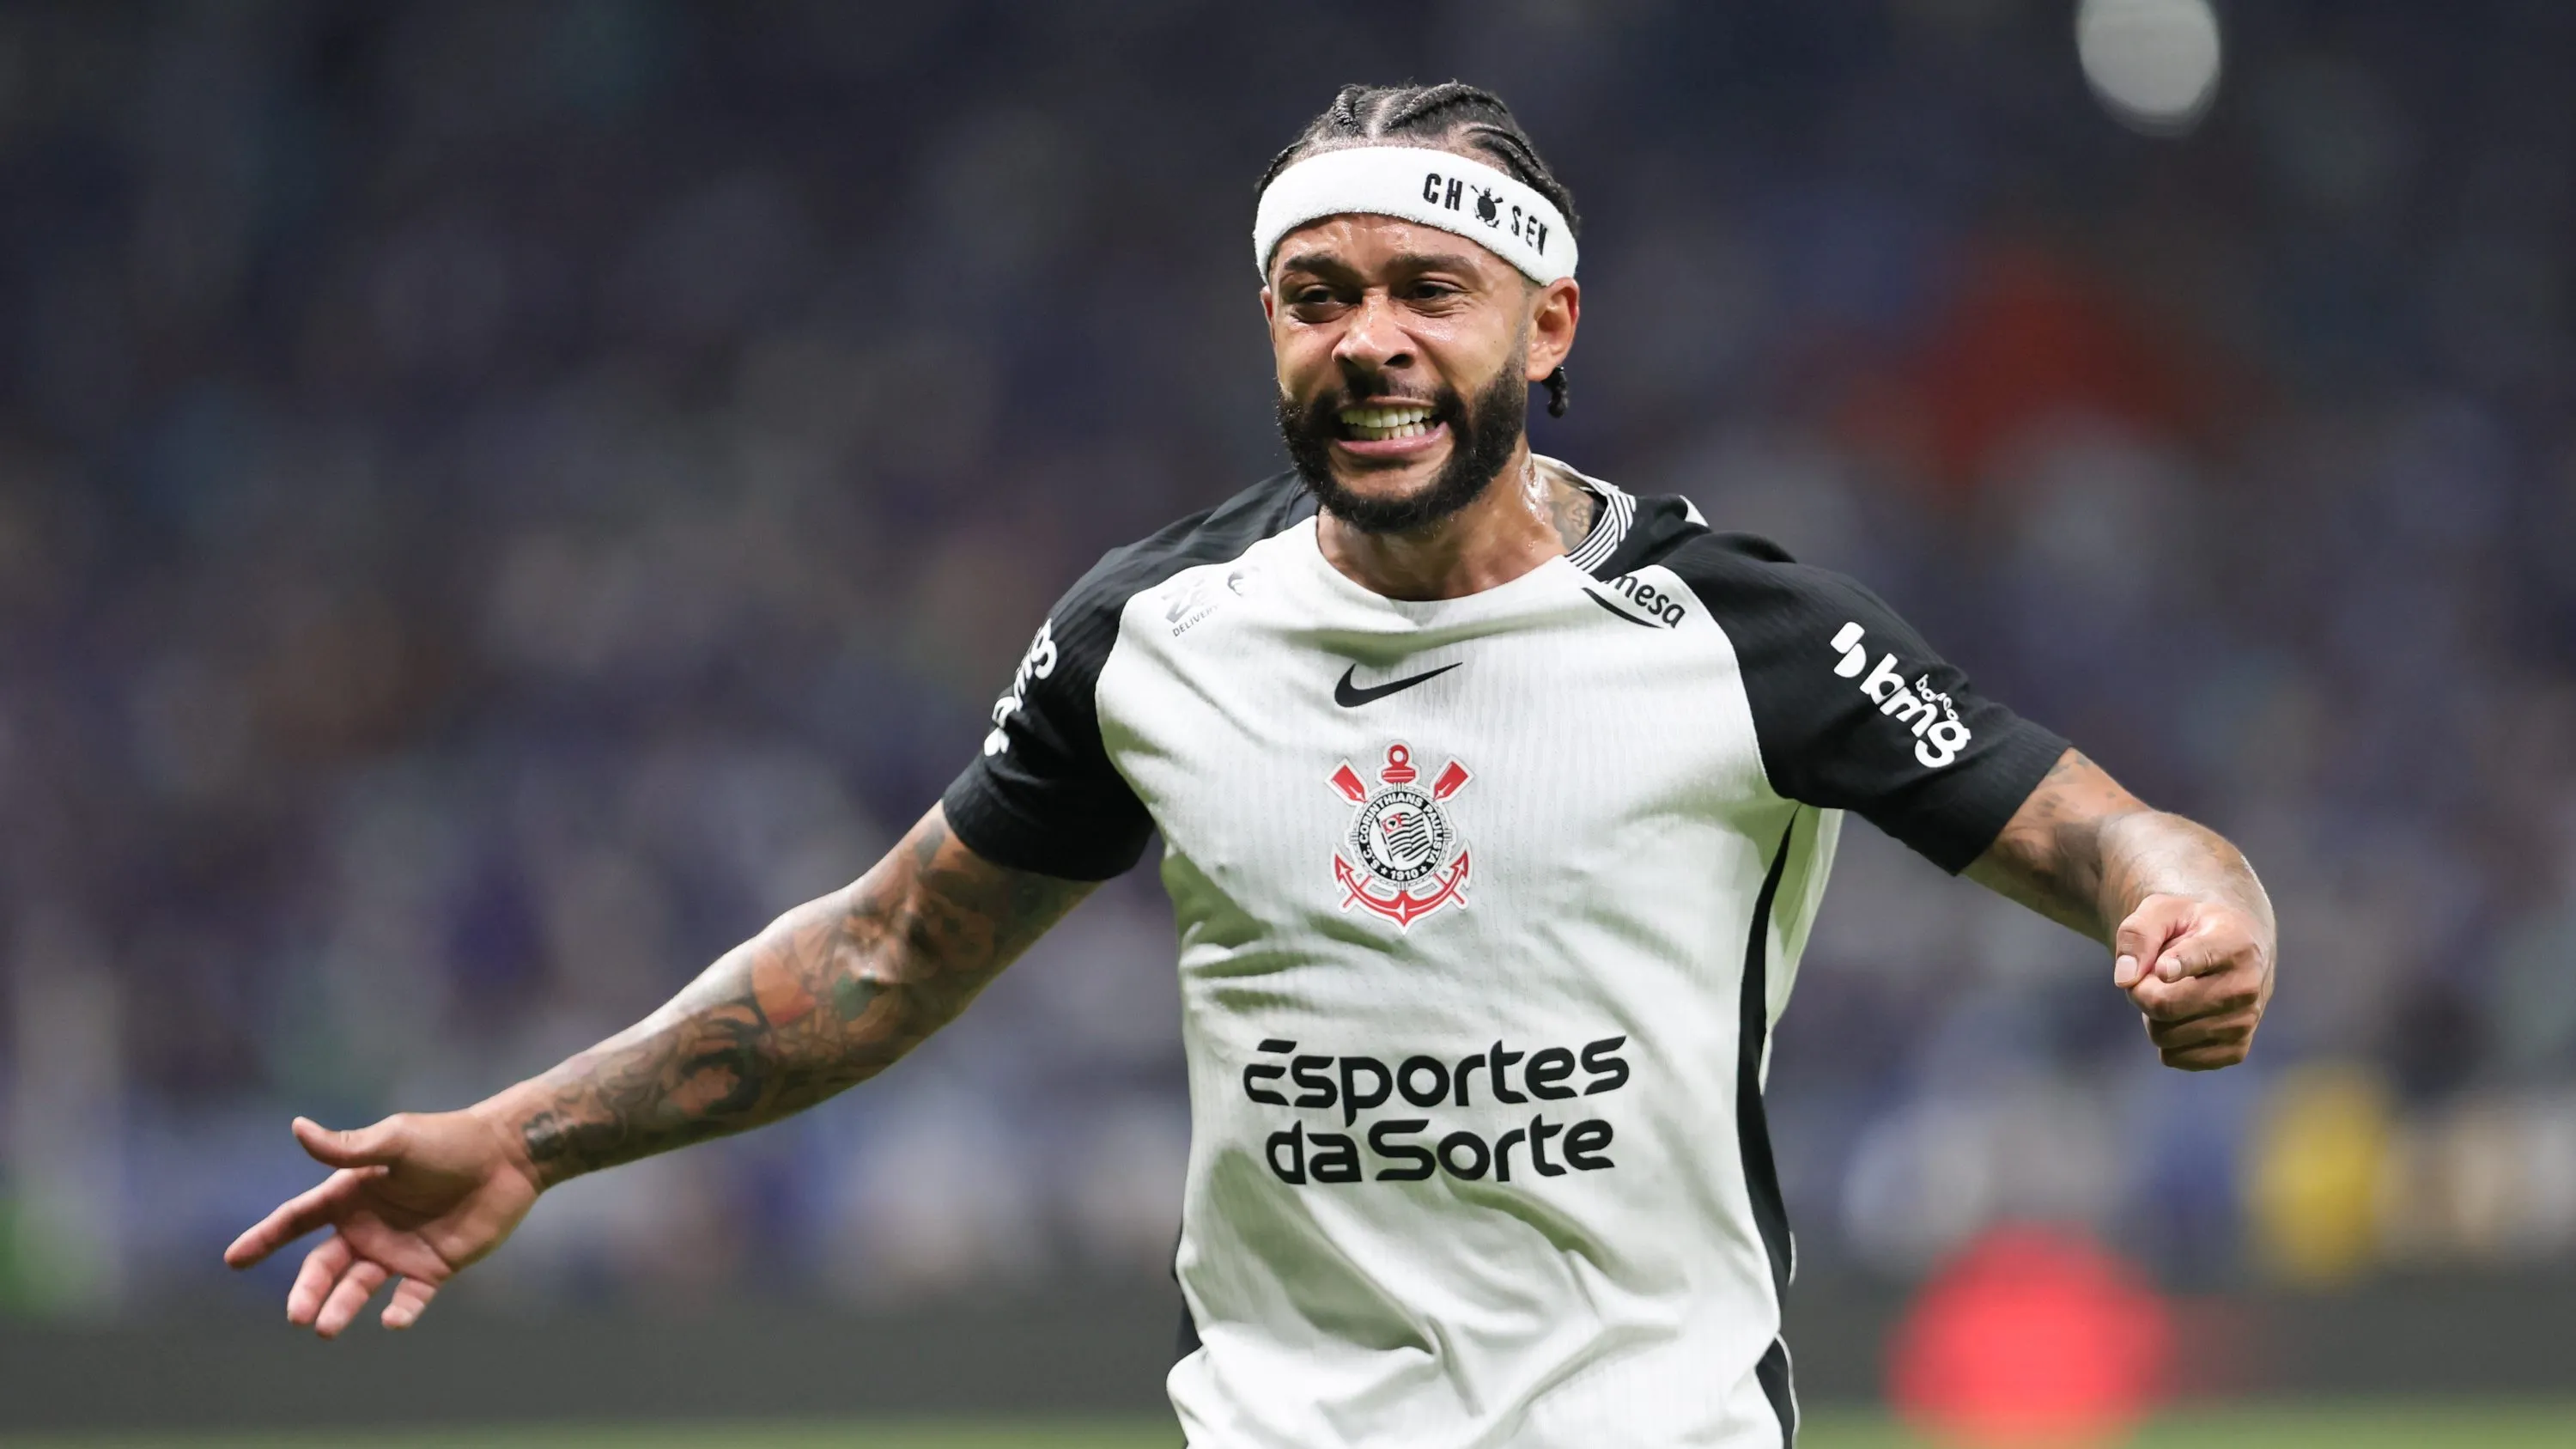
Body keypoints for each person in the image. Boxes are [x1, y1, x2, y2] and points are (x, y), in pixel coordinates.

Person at [225, 82, 2275, 1448]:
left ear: (1547, 325)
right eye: (1318, 297)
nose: (1368, 338)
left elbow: (2108, 832)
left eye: (1426, 291)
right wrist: (527, 1136)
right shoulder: (1153, 633)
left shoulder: (1742, 635)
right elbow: (883, 954)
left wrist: (2200, 900)